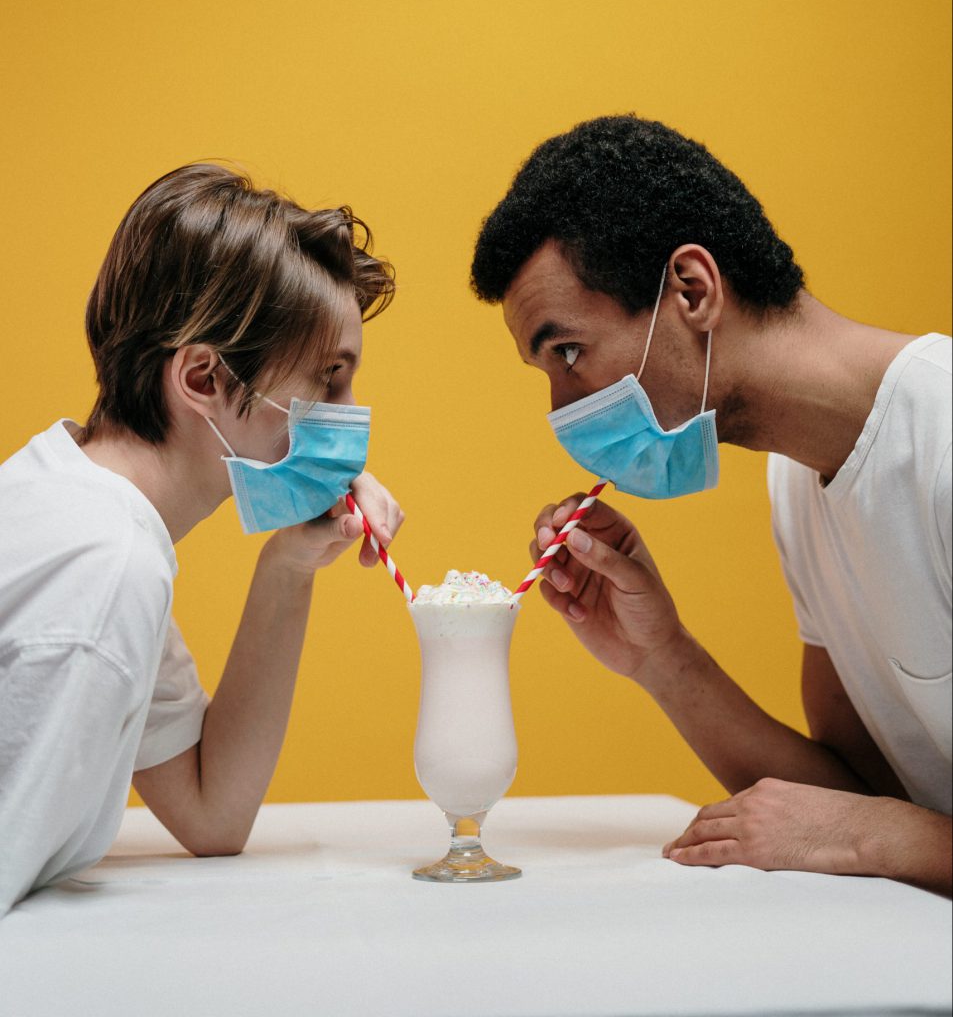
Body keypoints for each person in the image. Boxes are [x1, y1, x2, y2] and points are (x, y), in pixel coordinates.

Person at [470, 115, 951, 896]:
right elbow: (850, 797)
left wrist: (880, 835)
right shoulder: (799, 482)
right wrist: (660, 657)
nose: (562, 408)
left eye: (567, 353)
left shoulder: (944, 443)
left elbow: (868, 825)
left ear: (691, 290)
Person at [0, 164, 404, 916]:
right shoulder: (102, 568)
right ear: (205, 378)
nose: (351, 414)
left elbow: (211, 812)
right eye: (329, 378)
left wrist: (290, 565)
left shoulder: (86, 515)